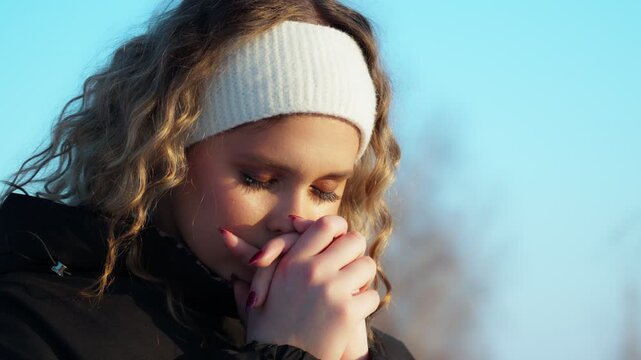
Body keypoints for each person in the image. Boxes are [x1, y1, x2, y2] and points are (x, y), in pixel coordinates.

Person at [0, 1, 414, 359]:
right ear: (167, 154)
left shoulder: (375, 353)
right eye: (259, 179)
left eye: (325, 191)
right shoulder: (34, 323)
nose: (294, 218)